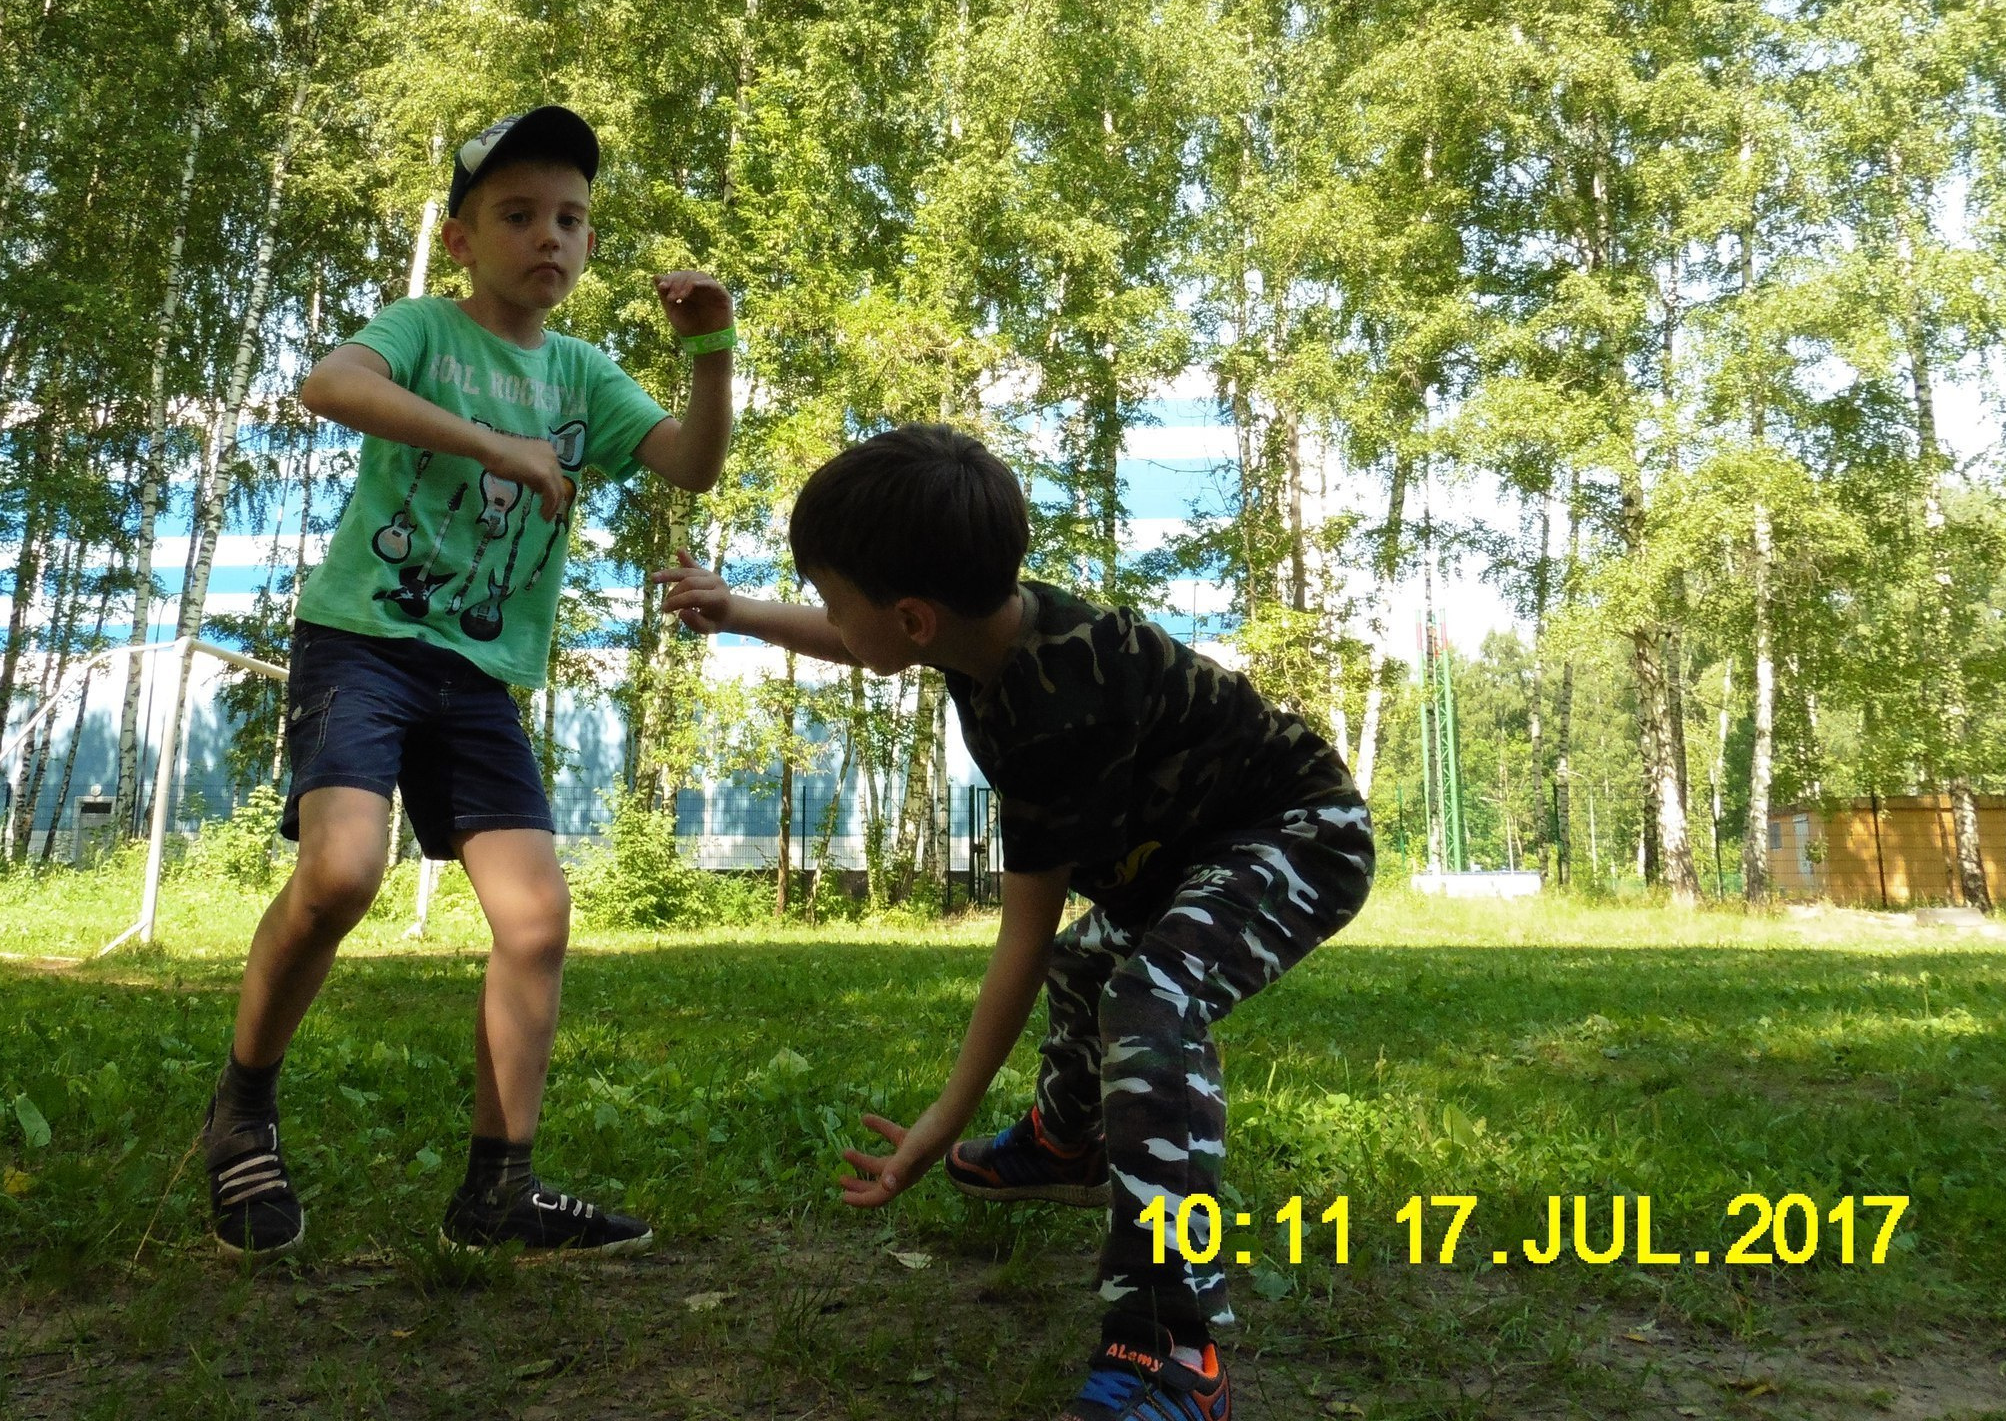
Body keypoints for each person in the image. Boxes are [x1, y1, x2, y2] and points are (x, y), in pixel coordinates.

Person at [656, 424, 1372, 1421]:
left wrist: (937, 1125)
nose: (827, 617)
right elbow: (863, 640)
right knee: (1095, 966)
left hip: (1298, 835)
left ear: (914, 616)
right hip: (1188, 853)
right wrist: (739, 612)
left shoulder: (1055, 709)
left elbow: (1019, 944)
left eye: (829, 597)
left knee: (1147, 1001)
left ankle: (1171, 1348)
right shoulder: (976, 633)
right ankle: (1068, 1143)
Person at [203, 104, 736, 1259]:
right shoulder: (425, 334)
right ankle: (242, 1104)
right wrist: (492, 446)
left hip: (481, 673)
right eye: (517, 216)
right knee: (341, 872)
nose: (549, 237)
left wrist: (712, 350)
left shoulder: (585, 376)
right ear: (459, 239)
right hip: (363, 644)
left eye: (571, 220)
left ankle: (498, 1191)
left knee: (536, 919)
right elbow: (327, 386)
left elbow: (691, 465)